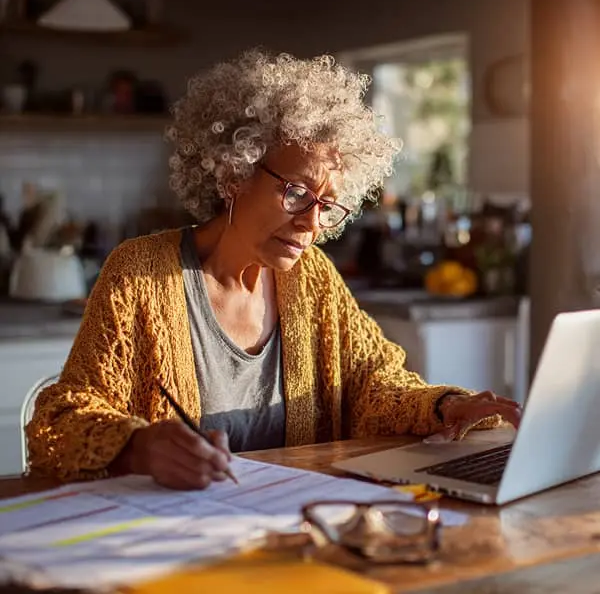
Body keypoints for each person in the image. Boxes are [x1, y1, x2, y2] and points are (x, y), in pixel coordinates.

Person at [26, 50, 521, 490]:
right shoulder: (140, 275)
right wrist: (138, 446)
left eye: (327, 206)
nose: (311, 223)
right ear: (232, 175)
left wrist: (447, 407)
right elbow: (61, 421)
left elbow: (374, 386)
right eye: (297, 193)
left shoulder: (314, 279)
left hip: (289, 533)